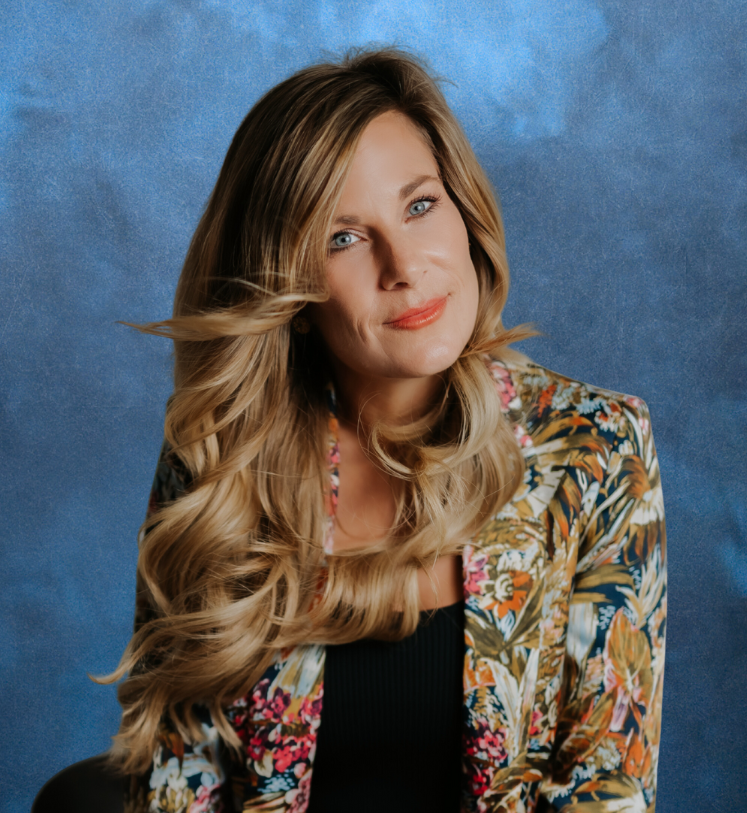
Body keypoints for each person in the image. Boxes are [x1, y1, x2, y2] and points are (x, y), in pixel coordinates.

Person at [102, 47, 666, 813]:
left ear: (462, 207)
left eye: (419, 204)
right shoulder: (220, 458)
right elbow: (174, 775)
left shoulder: (597, 448)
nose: (403, 264)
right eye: (342, 238)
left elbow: (608, 784)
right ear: (286, 284)